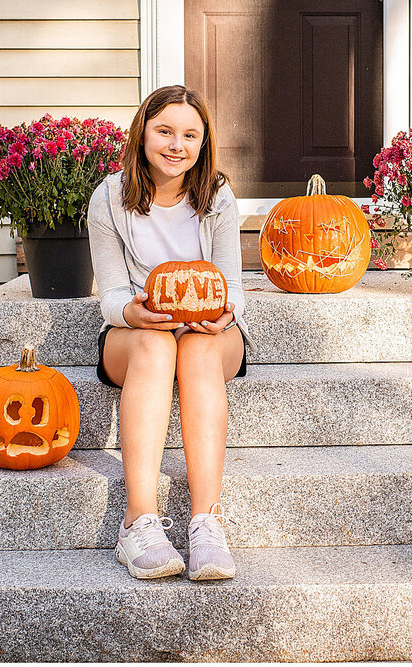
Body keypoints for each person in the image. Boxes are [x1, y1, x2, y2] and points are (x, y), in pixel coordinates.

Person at [87, 84, 254, 581]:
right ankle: (138, 521)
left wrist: (223, 315)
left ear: (203, 144)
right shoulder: (110, 199)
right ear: (142, 134)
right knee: (158, 343)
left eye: (189, 134)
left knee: (198, 349)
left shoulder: (217, 197)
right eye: (164, 131)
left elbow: (233, 288)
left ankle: (206, 522)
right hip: (138, 333)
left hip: (207, 330)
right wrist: (133, 312)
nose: (176, 145)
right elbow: (111, 293)